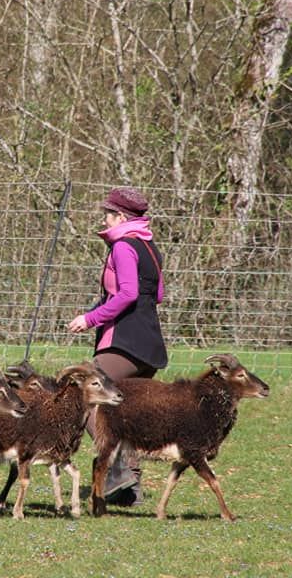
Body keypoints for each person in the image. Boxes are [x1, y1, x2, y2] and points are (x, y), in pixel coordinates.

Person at [67, 186, 167, 506]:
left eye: (107, 214)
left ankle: (119, 469)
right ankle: (130, 491)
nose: (104, 219)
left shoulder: (123, 246)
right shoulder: (150, 247)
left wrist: (91, 318)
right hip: (150, 347)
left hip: (123, 343)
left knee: (83, 394)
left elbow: (128, 295)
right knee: (124, 415)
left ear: (120, 217)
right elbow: (158, 295)